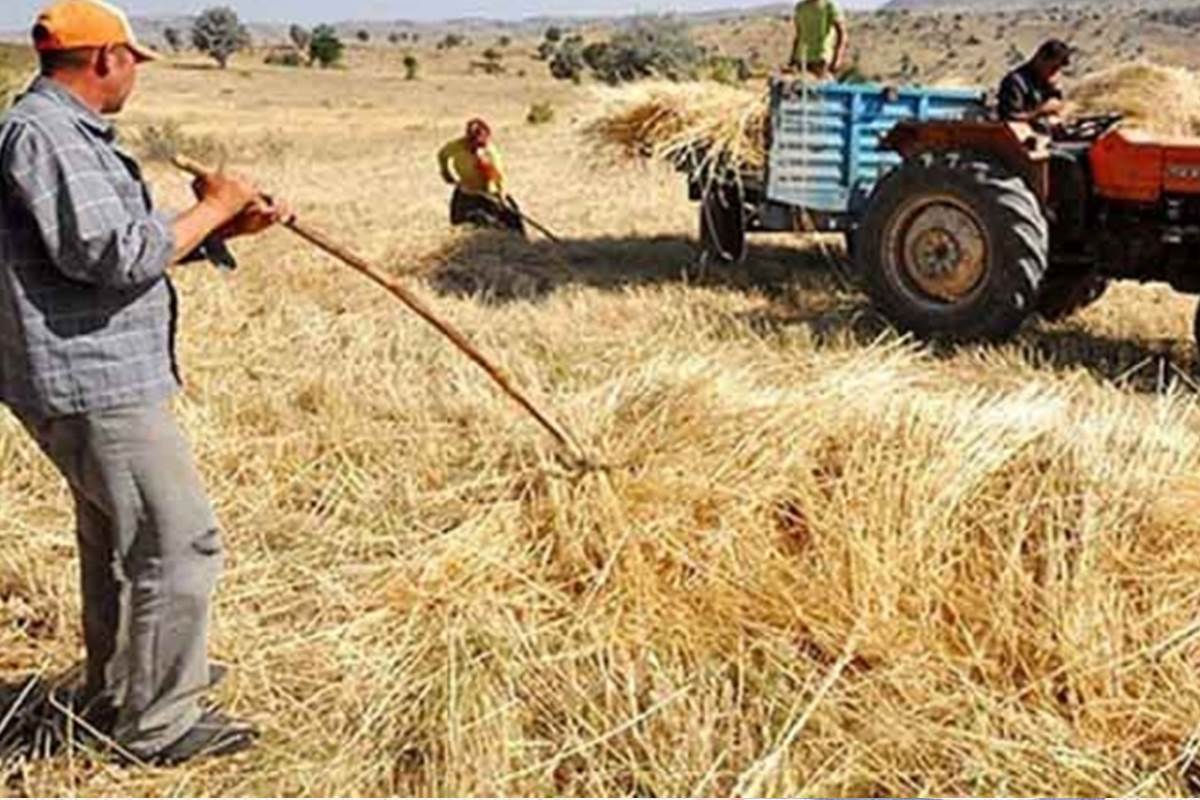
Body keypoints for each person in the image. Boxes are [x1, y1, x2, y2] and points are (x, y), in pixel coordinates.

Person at [0, 0, 289, 766]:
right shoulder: (47, 135)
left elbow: (115, 252)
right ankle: (159, 726)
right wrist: (214, 205)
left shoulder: (61, 133)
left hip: (92, 370)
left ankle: (127, 687)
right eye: (133, 60)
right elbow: (112, 256)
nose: (135, 75)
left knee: (120, 544)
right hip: (92, 377)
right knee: (178, 542)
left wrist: (220, 228)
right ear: (104, 59)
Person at [437, 118, 527, 237]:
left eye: (482, 142)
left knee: (507, 225)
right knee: (459, 225)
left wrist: (499, 197)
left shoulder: (490, 153)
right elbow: (442, 154)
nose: (479, 146)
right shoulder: (457, 146)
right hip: (466, 192)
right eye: (475, 141)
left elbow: (497, 177)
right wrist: (446, 172)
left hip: (489, 194)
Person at [997, 39, 1074, 125]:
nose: (1055, 72)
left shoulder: (1047, 82)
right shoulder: (1015, 82)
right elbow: (1009, 118)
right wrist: (1039, 112)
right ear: (1041, 58)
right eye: (1053, 68)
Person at [789, 0, 848, 81]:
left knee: (819, 89)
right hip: (802, 58)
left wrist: (837, 58)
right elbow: (799, 34)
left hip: (821, 58)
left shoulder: (829, 6)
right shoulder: (800, 8)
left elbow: (842, 34)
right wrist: (793, 58)